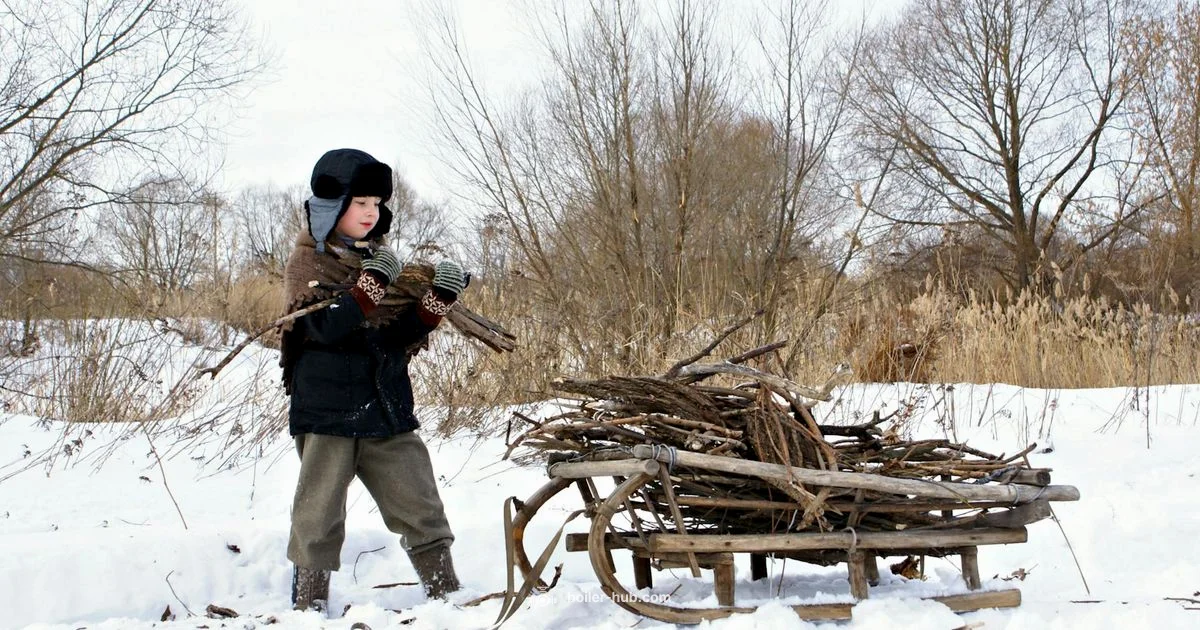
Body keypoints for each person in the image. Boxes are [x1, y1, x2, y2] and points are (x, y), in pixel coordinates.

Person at [278, 148, 467, 613]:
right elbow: (321, 328)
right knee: (318, 515)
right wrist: (367, 290)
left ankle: (448, 598)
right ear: (331, 206)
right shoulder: (309, 264)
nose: (370, 212)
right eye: (359, 201)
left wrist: (435, 301)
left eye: (376, 203)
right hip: (326, 410)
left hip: (385, 404)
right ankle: (308, 609)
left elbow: (397, 337)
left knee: (420, 501)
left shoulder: (385, 264)